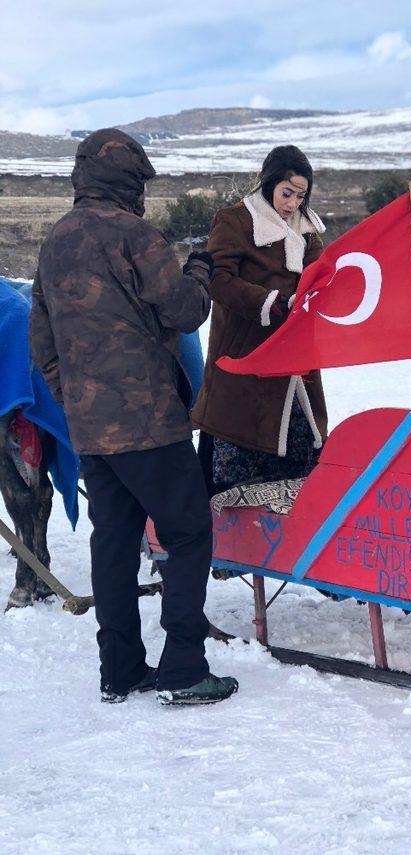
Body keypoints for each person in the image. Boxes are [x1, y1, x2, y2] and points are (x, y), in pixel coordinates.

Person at [30, 128, 238, 706]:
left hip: (91, 429)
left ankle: (120, 669)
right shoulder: (134, 234)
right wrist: (200, 269)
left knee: (114, 543)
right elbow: (184, 311)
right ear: (129, 181)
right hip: (149, 422)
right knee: (189, 533)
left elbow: (41, 343)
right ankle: (183, 666)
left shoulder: (55, 242)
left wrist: (73, 399)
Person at [192, 145, 328, 498]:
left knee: (300, 471)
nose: (293, 203)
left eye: (301, 196)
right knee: (234, 470)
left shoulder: (309, 232)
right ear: (270, 183)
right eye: (287, 193)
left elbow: (322, 279)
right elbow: (217, 278)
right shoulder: (235, 220)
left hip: (296, 367)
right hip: (243, 360)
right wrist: (269, 303)